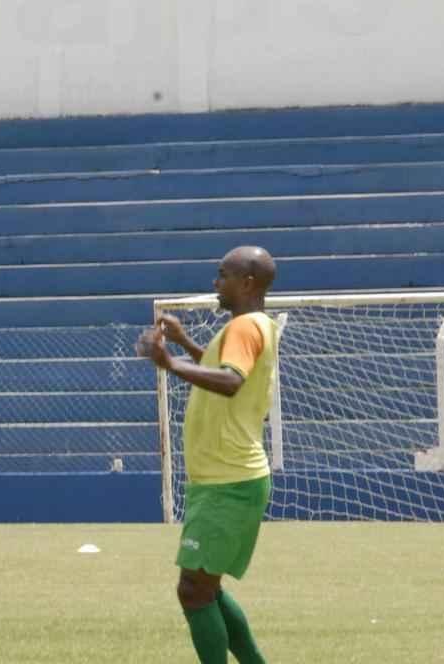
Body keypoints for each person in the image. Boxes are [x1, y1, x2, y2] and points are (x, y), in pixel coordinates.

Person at [136, 246, 278, 664]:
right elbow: (223, 368)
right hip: (223, 478)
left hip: (229, 481)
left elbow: (230, 382)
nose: (216, 283)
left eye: (223, 275)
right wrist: (183, 344)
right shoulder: (252, 326)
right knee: (205, 589)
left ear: (247, 283)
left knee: (193, 591)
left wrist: (169, 363)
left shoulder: (244, 328)